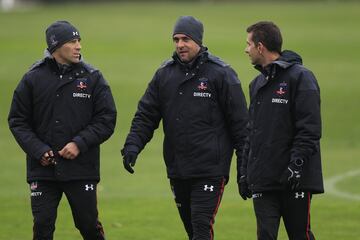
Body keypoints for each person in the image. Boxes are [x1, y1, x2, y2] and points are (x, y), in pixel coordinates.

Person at [121, 16, 248, 240]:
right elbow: (146, 115)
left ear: (198, 41)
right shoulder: (164, 75)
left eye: (185, 39)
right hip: (178, 169)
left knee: (200, 227)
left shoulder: (221, 74)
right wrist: (133, 145)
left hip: (210, 169)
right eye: (176, 39)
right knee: (193, 231)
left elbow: (241, 127)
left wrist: (244, 169)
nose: (180, 45)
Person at [8, 20, 117, 240]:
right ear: (56, 46)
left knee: (88, 226)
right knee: (42, 225)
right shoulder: (32, 78)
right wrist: (39, 150)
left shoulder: (92, 77)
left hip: (81, 168)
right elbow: (18, 120)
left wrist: (79, 143)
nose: (79, 46)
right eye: (72, 41)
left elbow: (107, 119)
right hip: (43, 170)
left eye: (79, 41)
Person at [239, 21, 324, 240]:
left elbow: (310, 129)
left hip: (293, 179)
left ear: (260, 46)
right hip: (263, 179)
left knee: (299, 235)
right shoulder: (256, 84)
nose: (245, 50)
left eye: (248, 44)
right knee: (265, 236)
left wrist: (296, 165)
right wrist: (244, 171)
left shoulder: (301, 78)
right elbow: (252, 132)